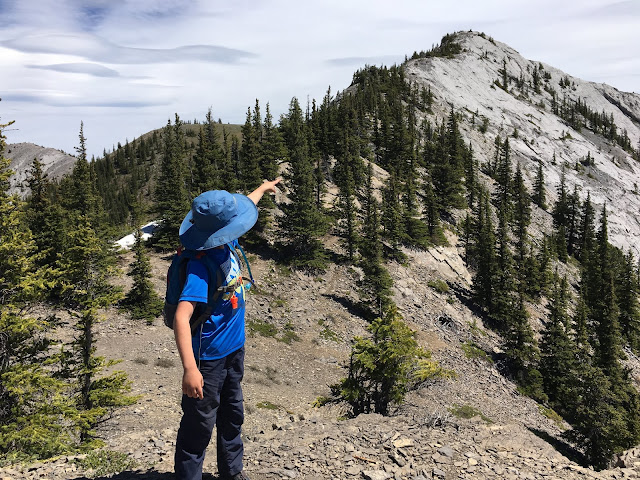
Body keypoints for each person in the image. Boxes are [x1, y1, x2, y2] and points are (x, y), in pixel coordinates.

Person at [174, 179, 280, 480]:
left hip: (234, 350)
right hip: (207, 360)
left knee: (232, 416)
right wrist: (190, 369)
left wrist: (262, 189)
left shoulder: (224, 243)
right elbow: (182, 318)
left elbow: (241, 206)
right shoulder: (200, 266)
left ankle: (232, 473)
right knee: (199, 425)